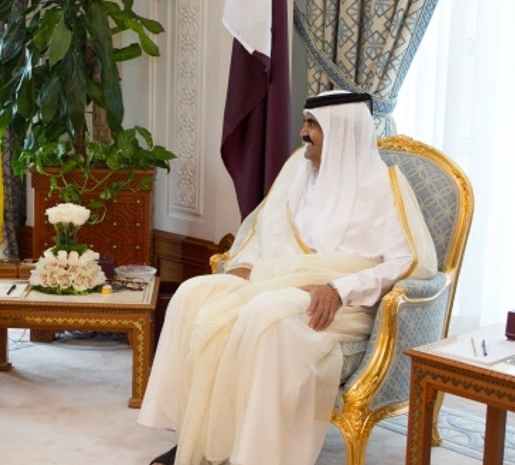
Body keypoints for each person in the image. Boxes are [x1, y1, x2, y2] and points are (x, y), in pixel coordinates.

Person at [139, 91, 438, 465]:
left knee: (266, 316)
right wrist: (246, 263)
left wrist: (339, 289)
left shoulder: (383, 186)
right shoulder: (298, 170)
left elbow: (407, 262)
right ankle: (196, 442)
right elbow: (266, 229)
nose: (303, 132)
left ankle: (254, 455)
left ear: (342, 129)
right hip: (278, 280)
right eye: (305, 122)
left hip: (342, 303)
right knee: (193, 294)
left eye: (313, 124)